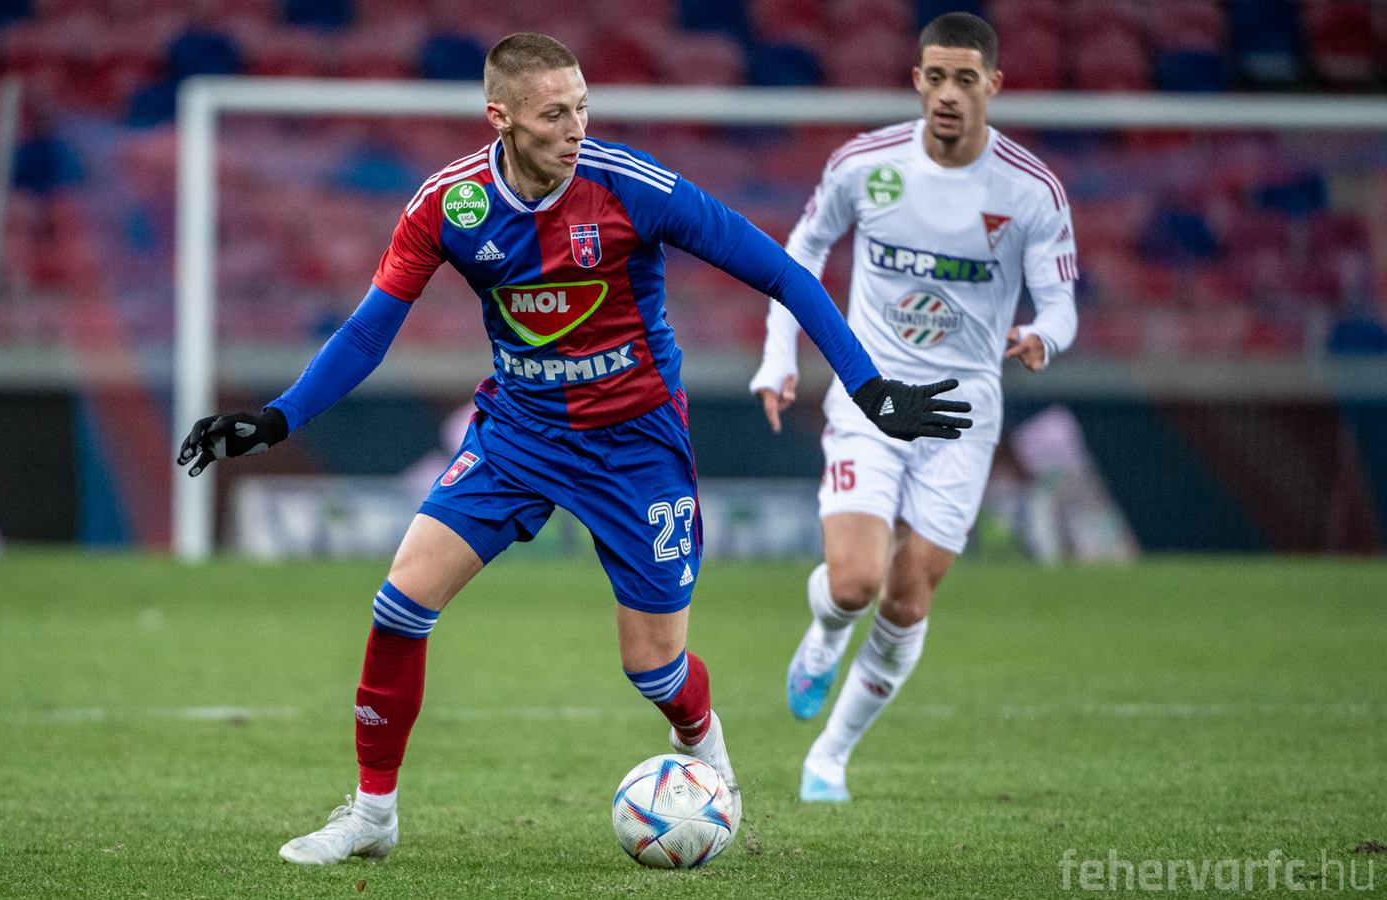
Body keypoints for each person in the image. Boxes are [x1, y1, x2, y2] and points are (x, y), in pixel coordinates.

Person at [177, 32, 970, 865]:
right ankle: (374, 814)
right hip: (519, 434)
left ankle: (705, 750)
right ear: (501, 118)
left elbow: (784, 273)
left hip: (636, 445)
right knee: (399, 604)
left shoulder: (632, 187)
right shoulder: (451, 207)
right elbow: (369, 331)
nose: (576, 128)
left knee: (654, 670)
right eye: (554, 114)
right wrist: (279, 418)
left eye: (583, 108)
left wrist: (869, 389)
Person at [748, 12, 1078, 802]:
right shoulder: (866, 165)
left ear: (993, 85)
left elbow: (1061, 303)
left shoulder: (1030, 191)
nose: (949, 94)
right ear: (917, 81)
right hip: (872, 394)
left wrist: (1043, 337)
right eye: (936, 77)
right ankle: (825, 635)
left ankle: (829, 757)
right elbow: (799, 254)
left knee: (907, 599)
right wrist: (778, 354)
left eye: (966, 79)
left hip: (963, 415)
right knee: (854, 585)